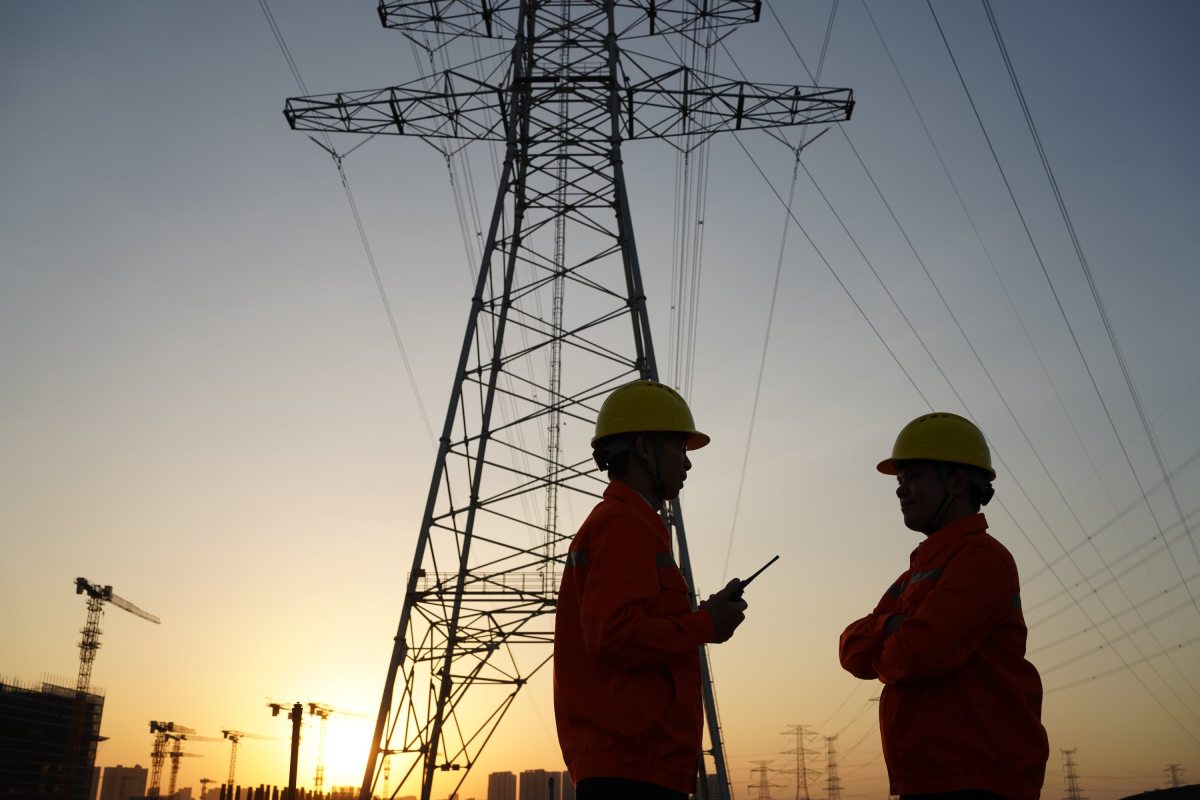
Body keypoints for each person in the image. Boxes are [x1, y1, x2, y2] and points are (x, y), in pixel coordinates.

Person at [554, 379, 748, 800]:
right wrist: (703, 625)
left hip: (639, 763)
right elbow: (617, 636)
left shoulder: (636, 526)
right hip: (631, 766)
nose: (688, 463)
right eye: (680, 448)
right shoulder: (622, 526)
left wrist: (702, 620)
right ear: (645, 448)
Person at [839, 412, 1049, 800]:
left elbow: (917, 655)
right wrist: (892, 627)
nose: (901, 490)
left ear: (956, 481)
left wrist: (887, 640)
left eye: (914, 477)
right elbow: (850, 651)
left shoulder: (982, 560)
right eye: (900, 481)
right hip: (931, 779)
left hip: (977, 780)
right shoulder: (919, 571)